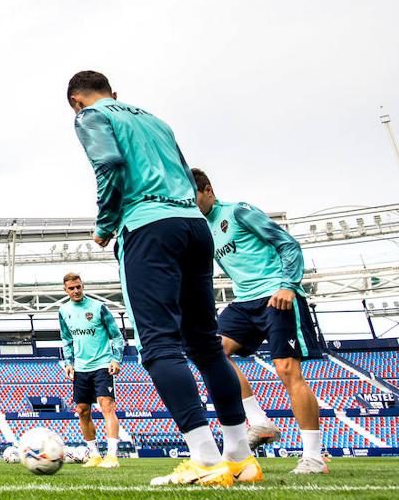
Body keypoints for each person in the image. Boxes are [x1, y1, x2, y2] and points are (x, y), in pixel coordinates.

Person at [68, 70, 257, 487]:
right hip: (193, 224)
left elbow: (111, 163)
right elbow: (185, 172)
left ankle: (205, 458)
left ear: (77, 102)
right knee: (207, 345)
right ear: (114, 93)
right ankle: (241, 457)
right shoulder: (155, 119)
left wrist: (106, 222)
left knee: (158, 345)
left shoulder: (89, 117)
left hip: (149, 227)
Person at [193, 168, 327, 475]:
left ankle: (314, 457)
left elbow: (287, 243)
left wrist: (288, 285)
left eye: (193, 197)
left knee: (287, 369)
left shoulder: (238, 212)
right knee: (212, 352)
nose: (191, 203)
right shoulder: (204, 229)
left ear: (208, 190)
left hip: (275, 295)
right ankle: (261, 423)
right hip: (243, 302)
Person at [58, 273, 124, 468]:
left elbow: (117, 336)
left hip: (102, 365)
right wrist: (69, 363)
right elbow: (66, 340)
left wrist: (116, 359)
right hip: (80, 368)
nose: (76, 291)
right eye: (71, 288)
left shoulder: (98, 307)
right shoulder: (63, 311)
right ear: (65, 290)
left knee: (107, 405)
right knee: (82, 411)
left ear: (82, 285)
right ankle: (94, 454)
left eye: (78, 287)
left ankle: (112, 456)